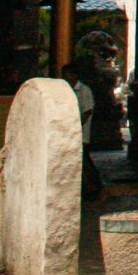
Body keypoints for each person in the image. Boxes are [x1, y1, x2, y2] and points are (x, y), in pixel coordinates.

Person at [62, 62, 103, 199]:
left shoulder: (84, 91)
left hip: (81, 132)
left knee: (84, 161)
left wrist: (76, 127)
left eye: (68, 75)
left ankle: (95, 186)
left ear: (74, 76)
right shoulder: (65, 90)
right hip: (68, 131)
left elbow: (87, 111)